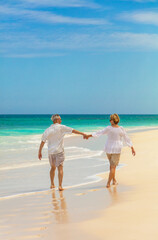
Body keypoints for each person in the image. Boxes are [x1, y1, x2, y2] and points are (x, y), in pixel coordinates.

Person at [85, 114, 136, 188]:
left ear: (113, 120)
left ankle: (114, 180)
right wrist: (132, 147)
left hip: (108, 149)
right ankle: (108, 183)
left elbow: (99, 132)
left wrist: (88, 136)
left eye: (110, 119)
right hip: (116, 149)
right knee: (113, 167)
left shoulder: (109, 128)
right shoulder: (120, 129)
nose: (109, 120)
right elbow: (126, 138)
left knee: (112, 166)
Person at [38, 114, 87, 191]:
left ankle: (52, 184)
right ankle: (60, 186)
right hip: (59, 151)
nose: (61, 120)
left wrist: (39, 152)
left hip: (51, 152)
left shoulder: (47, 130)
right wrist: (83, 134)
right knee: (60, 168)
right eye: (60, 119)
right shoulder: (61, 127)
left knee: (52, 168)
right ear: (57, 120)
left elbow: (43, 141)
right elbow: (73, 130)